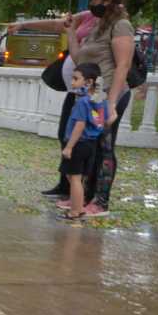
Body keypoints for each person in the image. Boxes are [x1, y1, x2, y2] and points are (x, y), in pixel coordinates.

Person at [7, 9, 99, 200]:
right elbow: (58, 25)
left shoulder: (111, 22)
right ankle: (67, 185)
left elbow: (79, 57)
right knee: (64, 135)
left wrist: (73, 33)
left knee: (83, 141)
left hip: (89, 94)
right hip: (74, 92)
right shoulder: (87, 16)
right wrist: (24, 25)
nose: (95, 2)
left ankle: (81, 190)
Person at [67, 0, 135, 217]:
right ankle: (83, 197)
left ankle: (101, 201)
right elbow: (79, 59)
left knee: (104, 146)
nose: (92, 3)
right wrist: (70, 31)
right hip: (94, 97)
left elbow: (123, 65)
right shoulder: (98, 27)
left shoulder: (122, 26)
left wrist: (112, 102)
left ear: (108, 0)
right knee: (89, 145)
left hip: (109, 95)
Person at [56, 63, 108, 220]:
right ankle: (79, 207)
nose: (72, 82)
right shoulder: (100, 100)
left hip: (78, 144)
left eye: (76, 78)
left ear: (89, 82)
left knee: (74, 178)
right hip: (91, 144)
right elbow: (109, 118)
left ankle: (75, 211)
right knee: (75, 178)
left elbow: (79, 125)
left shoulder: (82, 102)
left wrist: (69, 147)